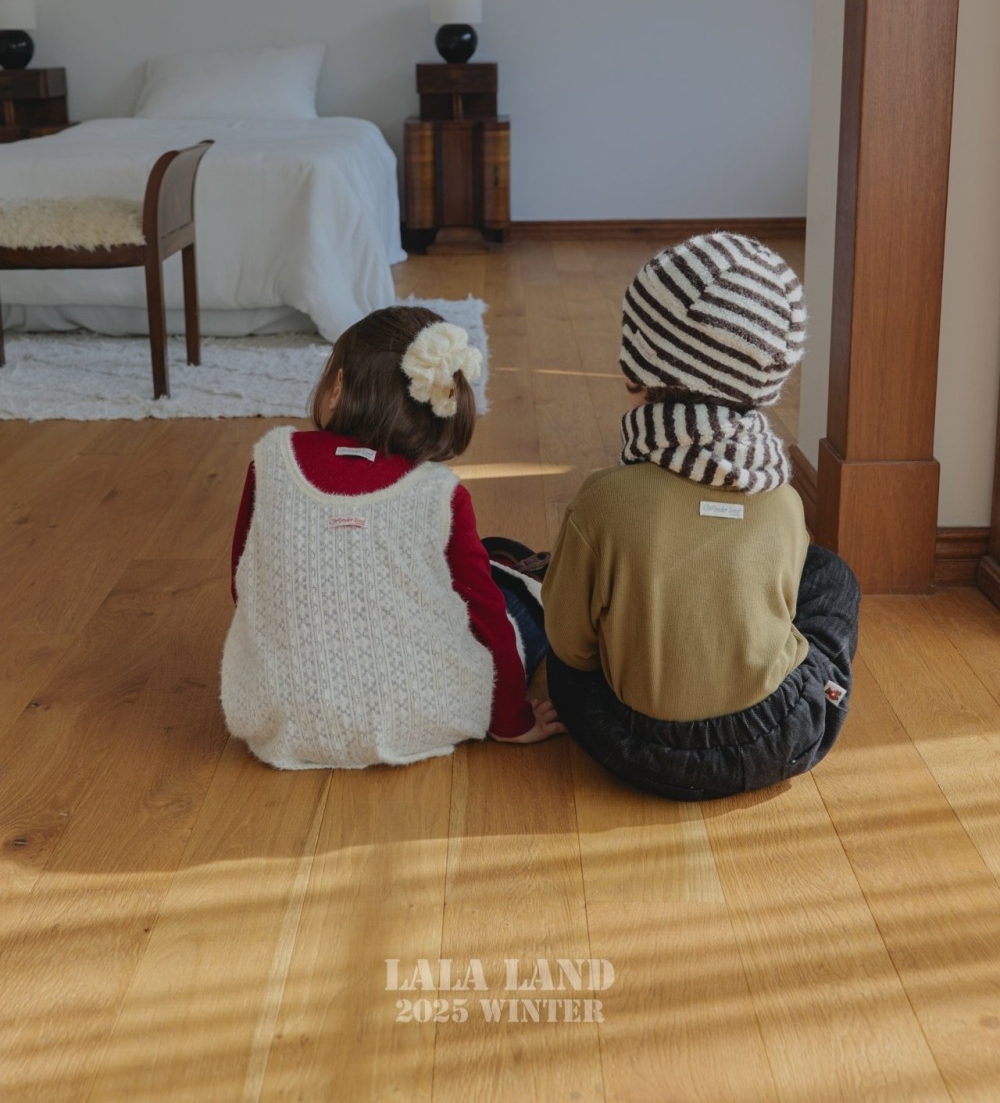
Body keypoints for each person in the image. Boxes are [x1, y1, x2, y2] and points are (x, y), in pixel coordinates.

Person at [540, 232, 861, 801]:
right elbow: (784, 608)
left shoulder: (603, 501)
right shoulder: (783, 501)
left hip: (637, 748)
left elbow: (571, 647)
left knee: (564, 666)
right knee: (832, 576)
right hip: (779, 738)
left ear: (639, 365)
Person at [221, 305, 564, 769]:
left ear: (336, 387)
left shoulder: (270, 461)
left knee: (482, 566)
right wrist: (511, 721)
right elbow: (484, 613)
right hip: (424, 713)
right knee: (513, 597)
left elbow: (244, 584)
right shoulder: (439, 492)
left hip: (283, 722)